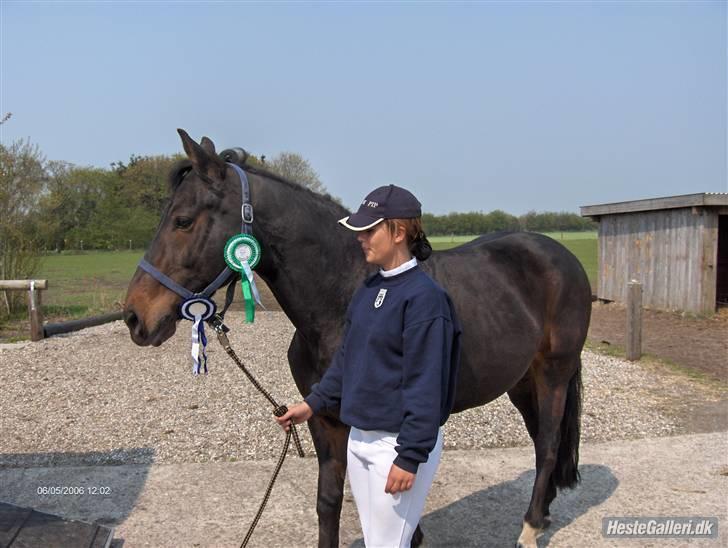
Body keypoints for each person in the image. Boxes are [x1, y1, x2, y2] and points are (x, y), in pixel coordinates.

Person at [275, 184, 462, 548]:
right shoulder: (369, 289)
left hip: (394, 444)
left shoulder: (426, 300)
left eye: (369, 230)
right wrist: (312, 403)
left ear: (398, 232)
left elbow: (427, 385)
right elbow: (348, 359)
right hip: (360, 437)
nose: (360, 238)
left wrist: (409, 457)